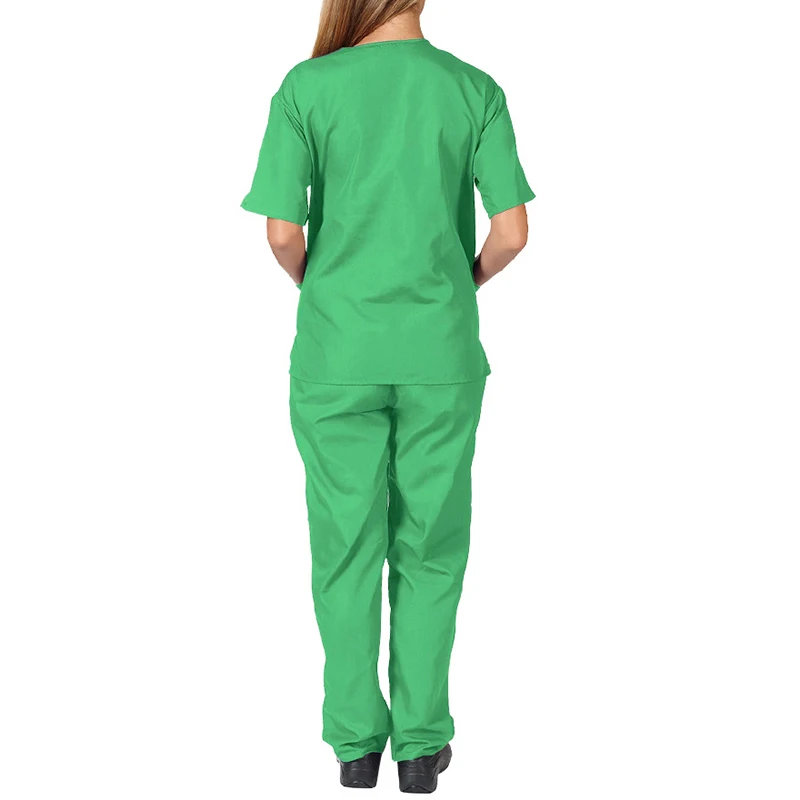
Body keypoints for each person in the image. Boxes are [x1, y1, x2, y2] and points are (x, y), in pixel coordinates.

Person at [241, 0, 534, 792]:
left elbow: (280, 232)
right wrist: (460, 288)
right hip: (440, 352)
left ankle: (354, 746)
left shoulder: (306, 88)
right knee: (431, 548)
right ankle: (421, 747)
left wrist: (324, 290)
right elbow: (512, 232)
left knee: (344, 549)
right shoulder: (472, 89)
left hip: (337, 352)